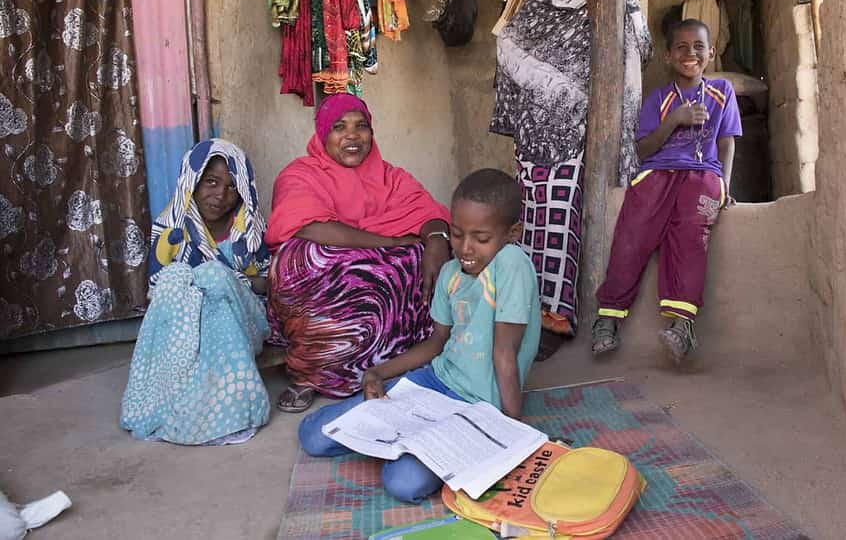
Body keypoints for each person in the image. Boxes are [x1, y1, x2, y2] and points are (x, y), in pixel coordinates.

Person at [298, 169, 541, 503]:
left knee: (402, 482)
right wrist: (378, 373)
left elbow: (504, 354)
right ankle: (410, 437)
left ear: (513, 232)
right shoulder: (452, 274)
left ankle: (414, 442)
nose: (465, 248)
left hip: (480, 406)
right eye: (456, 234)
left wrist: (514, 434)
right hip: (435, 383)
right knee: (313, 435)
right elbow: (437, 343)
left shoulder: (511, 263)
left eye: (481, 238)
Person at [490, 0, 652, 360]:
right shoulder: (539, 4)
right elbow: (508, 47)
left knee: (560, 217)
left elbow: (643, 48)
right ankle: (525, 309)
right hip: (534, 127)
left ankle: (553, 321)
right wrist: (550, 84)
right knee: (531, 222)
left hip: (580, 129)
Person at [266, 94, 451, 413]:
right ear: (323, 134)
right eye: (339, 127)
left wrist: (436, 238)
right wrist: (389, 244)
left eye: (361, 127)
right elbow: (309, 227)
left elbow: (427, 210)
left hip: (383, 309)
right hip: (329, 302)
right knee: (303, 258)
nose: (352, 135)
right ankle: (313, 374)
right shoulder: (300, 175)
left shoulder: (388, 176)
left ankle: (393, 362)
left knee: (425, 254)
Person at [591, 17, 742, 363]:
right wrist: (676, 119)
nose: (691, 53)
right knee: (633, 235)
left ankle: (682, 325)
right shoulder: (658, 99)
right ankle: (608, 320)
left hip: (703, 175)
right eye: (681, 47)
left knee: (690, 238)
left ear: (711, 53)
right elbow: (643, 150)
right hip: (657, 173)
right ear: (667, 56)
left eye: (699, 47)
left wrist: (725, 185)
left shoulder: (722, 92)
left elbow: (727, 143)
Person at [121, 139, 272, 445]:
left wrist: (226, 280)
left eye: (232, 187)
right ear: (192, 181)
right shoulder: (171, 225)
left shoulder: (248, 224)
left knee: (213, 277)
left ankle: (235, 408)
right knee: (179, 278)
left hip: (244, 321)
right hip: (182, 329)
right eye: (211, 183)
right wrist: (197, 288)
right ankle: (168, 404)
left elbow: (268, 284)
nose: (221, 195)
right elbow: (158, 292)